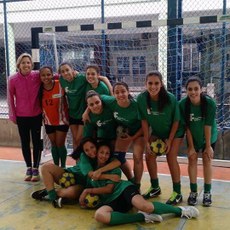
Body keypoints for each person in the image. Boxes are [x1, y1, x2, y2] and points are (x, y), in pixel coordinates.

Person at [79, 141, 199, 226]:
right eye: (101, 152)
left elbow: (109, 189)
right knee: (100, 216)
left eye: (107, 153)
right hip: (111, 200)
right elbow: (90, 176)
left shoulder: (114, 168)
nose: (104, 156)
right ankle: (143, 217)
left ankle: (182, 211)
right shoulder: (90, 167)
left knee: (145, 206)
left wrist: (88, 191)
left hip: (124, 190)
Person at [31, 137, 120, 208]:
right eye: (87, 150)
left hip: (80, 185)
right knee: (45, 167)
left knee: (70, 193)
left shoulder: (102, 155)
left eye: (92, 147)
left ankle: (49, 191)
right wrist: (109, 176)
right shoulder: (83, 156)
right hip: (68, 176)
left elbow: (117, 162)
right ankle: (52, 197)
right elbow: (91, 175)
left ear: (96, 146)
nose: (90, 151)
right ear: (84, 151)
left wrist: (101, 170)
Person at [137, 70, 183, 205]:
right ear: (145, 84)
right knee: (149, 154)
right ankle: (155, 187)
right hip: (158, 132)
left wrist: (169, 139)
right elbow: (144, 122)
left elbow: (176, 121)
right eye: (150, 83)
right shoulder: (141, 99)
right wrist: (146, 141)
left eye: (156, 83)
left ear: (161, 84)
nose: (153, 86)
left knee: (171, 156)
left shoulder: (170, 98)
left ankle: (177, 192)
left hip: (175, 132)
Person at [179, 76, 218, 207]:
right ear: (186, 90)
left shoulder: (209, 103)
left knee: (207, 159)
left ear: (201, 90)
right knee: (192, 159)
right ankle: (193, 191)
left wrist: (208, 146)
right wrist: (190, 146)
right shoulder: (183, 104)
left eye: (196, 89)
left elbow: (208, 125)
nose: (193, 92)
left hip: (208, 136)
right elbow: (187, 127)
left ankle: (207, 192)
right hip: (193, 136)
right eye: (190, 89)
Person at [99, 82, 145, 188]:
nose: (120, 95)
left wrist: (133, 138)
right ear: (113, 94)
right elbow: (95, 97)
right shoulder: (111, 101)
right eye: (117, 92)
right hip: (124, 130)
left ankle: (137, 185)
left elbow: (145, 126)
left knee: (137, 156)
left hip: (139, 131)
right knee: (118, 156)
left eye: (123, 91)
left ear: (128, 92)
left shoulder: (136, 105)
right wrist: (86, 112)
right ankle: (131, 179)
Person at [58, 62, 112, 150]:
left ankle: (84, 160)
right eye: (63, 71)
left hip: (84, 114)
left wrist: (112, 92)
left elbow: (101, 78)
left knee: (80, 139)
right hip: (72, 113)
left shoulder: (82, 78)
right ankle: (77, 162)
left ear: (72, 70)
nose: (65, 73)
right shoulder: (62, 80)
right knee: (75, 140)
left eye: (67, 70)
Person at [7, 53, 42, 182]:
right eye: (23, 63)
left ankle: (36, 168)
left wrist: (71, 74)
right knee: (25, 143)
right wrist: (13, 115)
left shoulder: (37, 75)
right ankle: (28, 167)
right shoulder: (12, 79)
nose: (26, 65)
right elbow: (10, 98)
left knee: (37, 142)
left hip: (36, 115)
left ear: (31, 64)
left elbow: (52, 76)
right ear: (18, 65)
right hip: (22, 117)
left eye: (28, 62)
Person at [39, 66, 69, 168]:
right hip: (48, 122)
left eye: (48, 74)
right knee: (54, 144)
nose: (46, 77)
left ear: (52, 75)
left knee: (60, 143)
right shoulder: (39, 89)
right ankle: (56, 166)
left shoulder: (60, 84)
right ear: (40, 77)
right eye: (43, 75)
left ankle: (63, 167)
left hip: (62, 121)